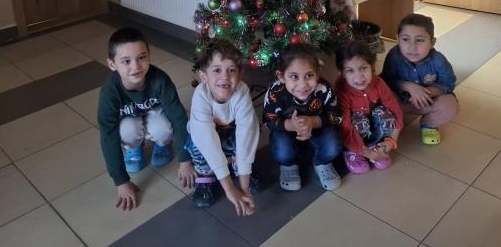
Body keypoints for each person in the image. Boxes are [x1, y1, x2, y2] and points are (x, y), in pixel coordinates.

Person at [98, 27, 194, 211]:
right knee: (127, 130)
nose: (136, 66)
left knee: (162, 128)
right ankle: (134, 148)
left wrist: (185, 160)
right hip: (129, 120)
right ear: (112, 64)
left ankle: (162, 144)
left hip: (154, 115)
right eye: (126, 61)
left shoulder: (160, 80)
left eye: (141, 57)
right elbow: (107, 134)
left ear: (149, 57)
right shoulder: (109, 91)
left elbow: (179, 118)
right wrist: (121, 181)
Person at [186, 40, 260, 216]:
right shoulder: (201, 95)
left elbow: (246, 134)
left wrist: (243, 188)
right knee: (196, 144)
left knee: (251, 131)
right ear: (204, 76)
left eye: (231, 70)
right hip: (207, 138)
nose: (225, 77)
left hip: (230, 133)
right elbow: (206, 140)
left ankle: (238, 167)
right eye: (217, 70)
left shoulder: (242, 91)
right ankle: (206, 177)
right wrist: (229, 188)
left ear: (239, 75)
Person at [263, 43, 342, 192]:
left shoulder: (325, 90)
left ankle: (322, 162)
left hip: (318, 130)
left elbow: (336, 116)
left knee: (333, 144)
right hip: (285, 131)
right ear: (281, 76)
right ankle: (289, 165)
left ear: (317, 73)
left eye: (309, 76)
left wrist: (313, 122)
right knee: (281, 150)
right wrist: (291, 125)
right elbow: (268, 121)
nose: (303, 84)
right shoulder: (275, 92)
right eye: (294, 77)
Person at [382, 13, 459, 145]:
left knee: (450, 106)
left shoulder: (438, 60)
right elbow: (386, 80)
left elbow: (448, 83)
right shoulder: (394, 55)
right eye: (405, 39)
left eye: (419, 40)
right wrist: (409, 86)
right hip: (401, 102)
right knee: (379, 97)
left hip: (428, 102)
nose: (412, 47)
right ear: (397, 39)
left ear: (432, 42)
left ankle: (428, 124)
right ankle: (394, 121)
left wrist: (427, 93)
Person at [335, 41, 403, 173]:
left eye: (363, 68)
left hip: (371, 126)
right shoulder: (341, 91)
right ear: (342, 73)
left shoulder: (378, 83)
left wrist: (392, 141)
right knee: (358, 121)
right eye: (350, 71)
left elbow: (395, 110)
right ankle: (353, 152)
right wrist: (367, 153)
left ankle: (378, 147)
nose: (359, 76)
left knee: (386, 114)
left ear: (372, 66)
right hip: (355, 132)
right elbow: (345, 127)